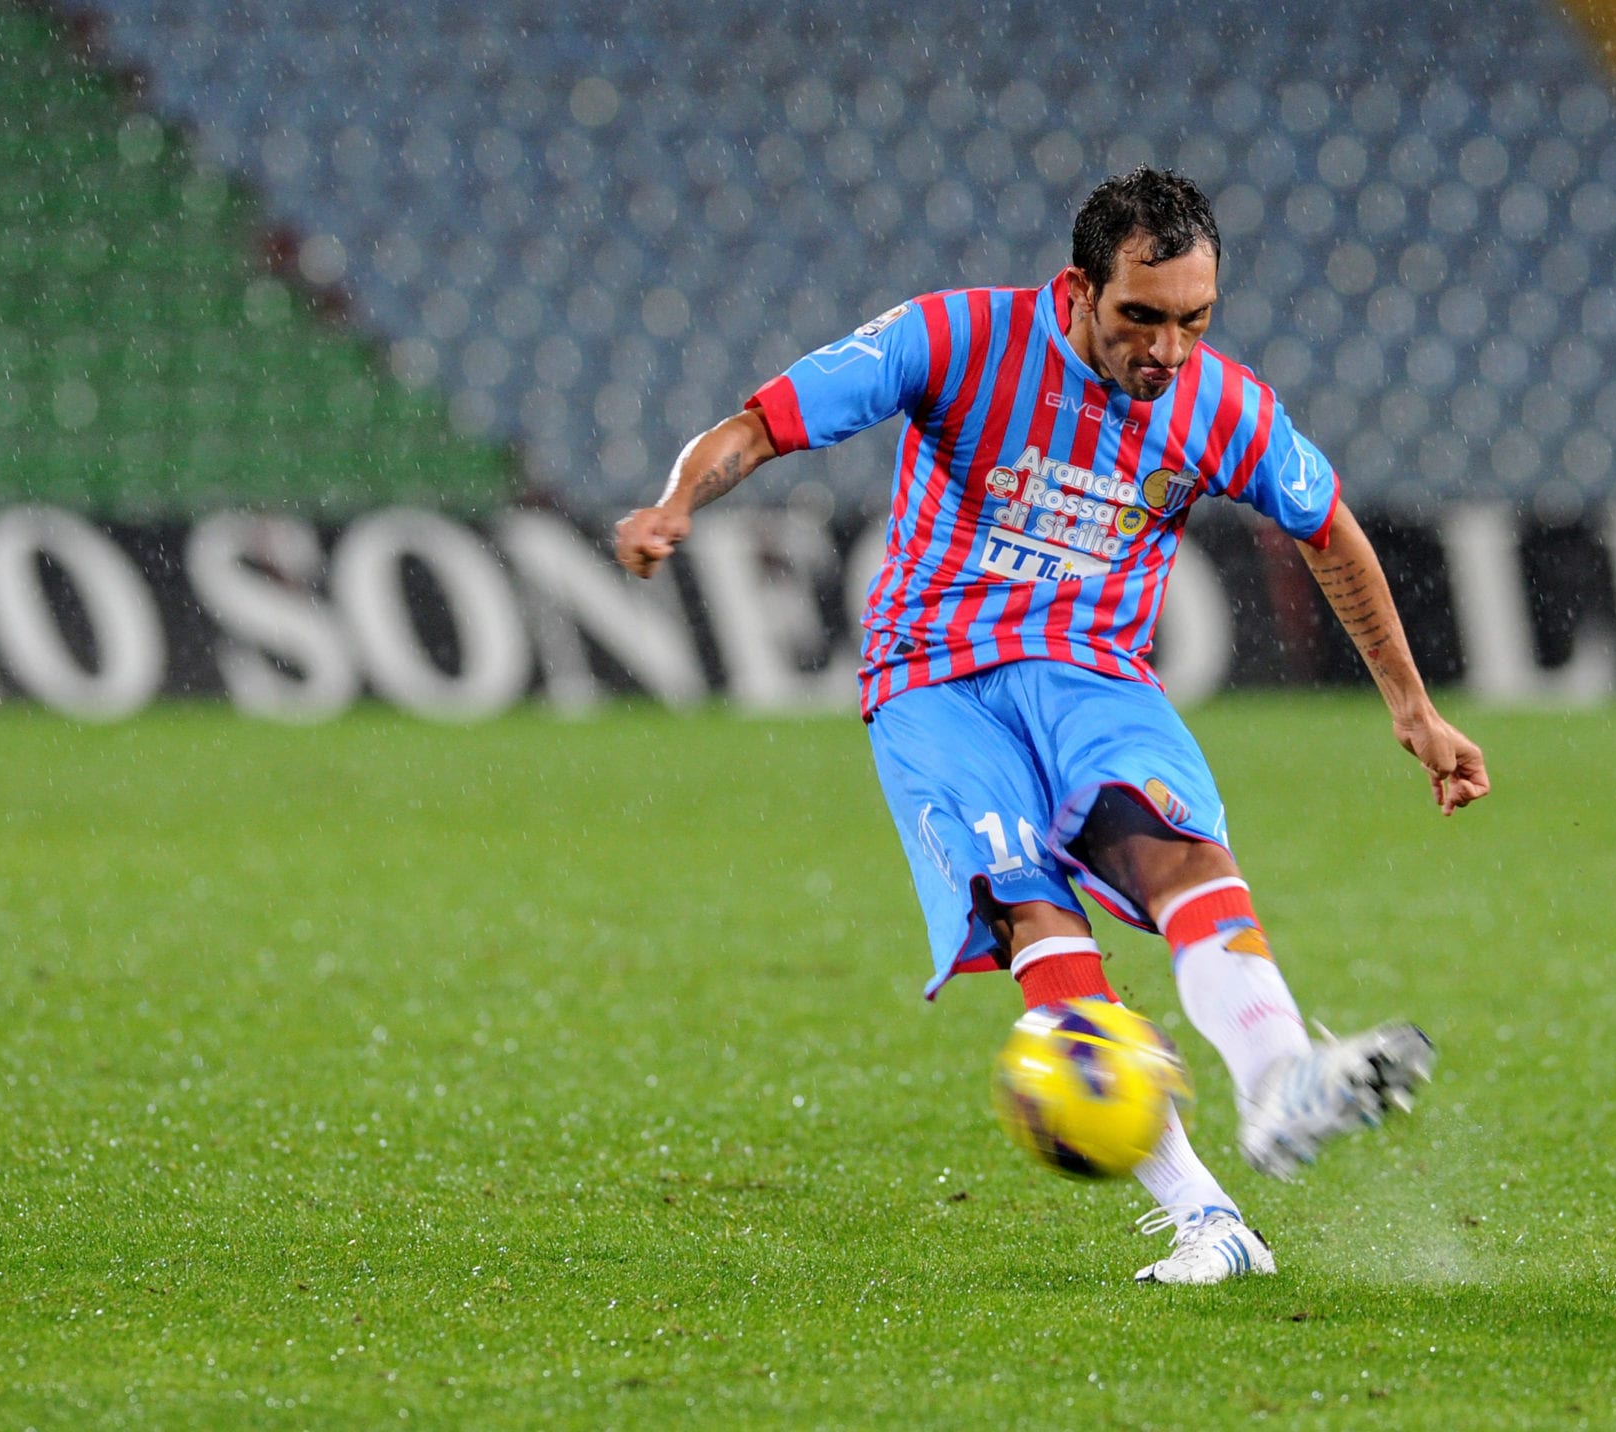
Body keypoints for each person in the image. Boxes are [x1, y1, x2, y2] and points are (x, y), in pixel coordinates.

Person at [615, 168, 1489, 1284]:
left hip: (1093, 678)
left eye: (1192, 322)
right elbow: (762, 422)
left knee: (1182, 857)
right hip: (932, 681)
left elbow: (1328, 532)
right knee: (1037, 921)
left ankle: (1280, 1083)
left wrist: (1411, 708)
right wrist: (680, 501)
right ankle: (1205, 1218)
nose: (1166, 351)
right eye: (1141, 317)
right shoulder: (955, 338)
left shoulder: (1219, 405)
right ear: (1077, 289)